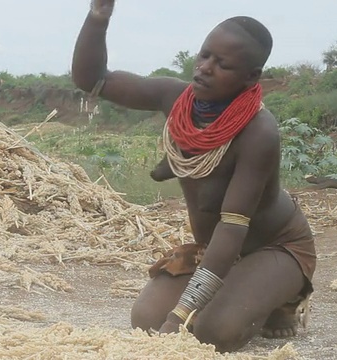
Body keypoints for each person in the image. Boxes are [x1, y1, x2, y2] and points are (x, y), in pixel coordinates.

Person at [71, 0, 317, 353]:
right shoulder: (175, 97)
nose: (204, 68)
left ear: (251, 77)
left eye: (222, 64)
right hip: (217, 248)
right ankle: (240, 285)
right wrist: (99, 15)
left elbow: (233, 225)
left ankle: (283, 296)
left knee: (214, 333)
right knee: (146, 319)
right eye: (204, 56)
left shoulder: (259, 132)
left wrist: (180, 315)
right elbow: (91, 80)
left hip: (273, 244)